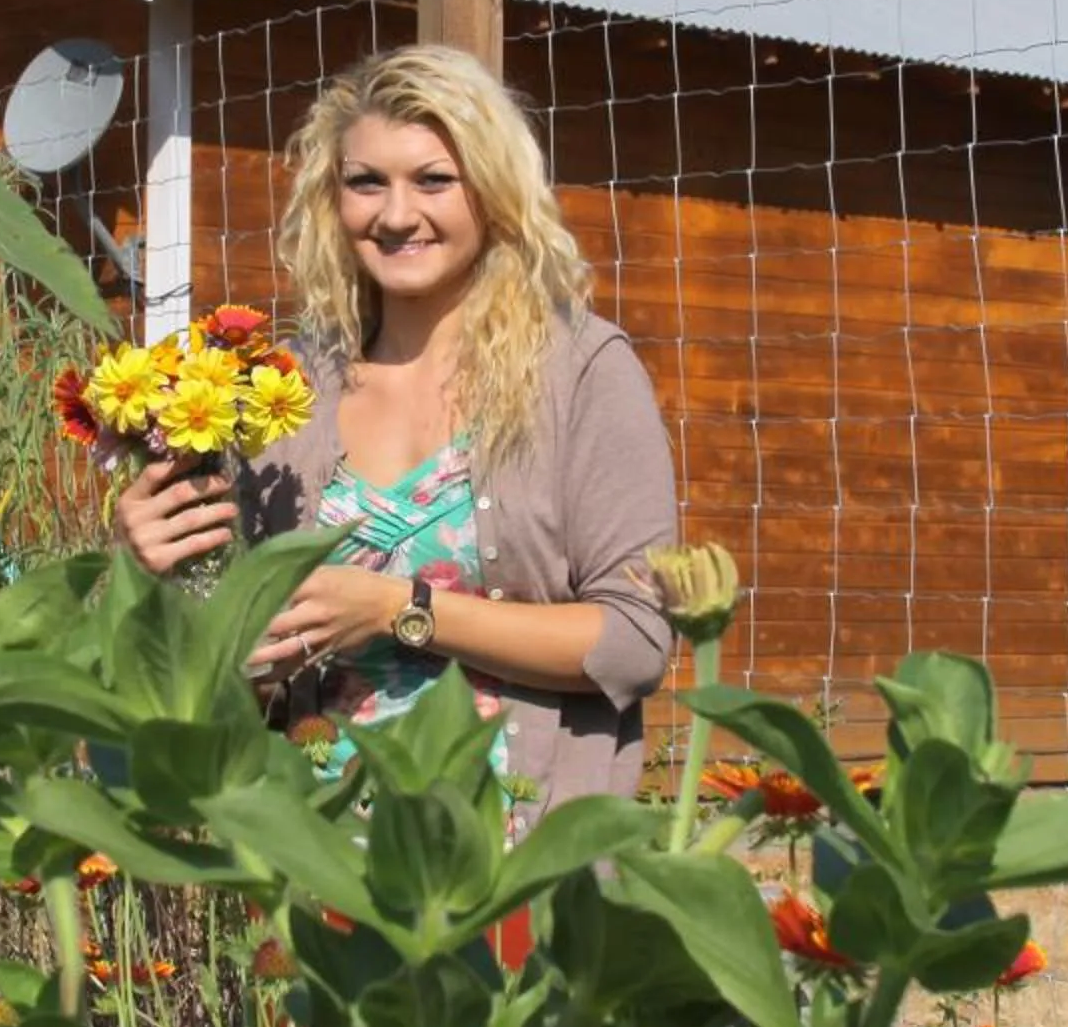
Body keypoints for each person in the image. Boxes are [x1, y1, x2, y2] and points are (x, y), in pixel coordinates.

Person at [113, 42, 682, 818]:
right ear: (331, 198)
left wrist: (400, 610)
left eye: (434, 180)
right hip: (314, 854)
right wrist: (156, 572)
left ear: (494, 192)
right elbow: (227, 675)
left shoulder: (581, 371)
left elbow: (633, 639)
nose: (395, 215)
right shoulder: (287, 392)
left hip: (513, 855)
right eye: (366, 183)